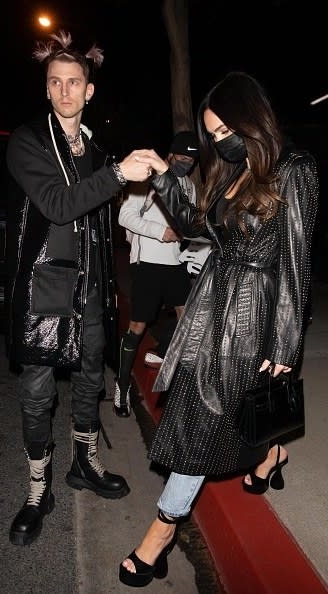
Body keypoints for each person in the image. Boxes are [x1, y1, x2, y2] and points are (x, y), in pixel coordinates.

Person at [118, 71, 319, 587]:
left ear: (252, 119)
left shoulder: (294, 170)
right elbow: (193, 223)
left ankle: (159, 536)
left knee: (201, 424)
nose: (220, 140)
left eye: (227, 129)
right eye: (213, 132)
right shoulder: (229, 173)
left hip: (253, 316)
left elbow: (297, 266)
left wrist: (286, 344)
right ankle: (272, 453)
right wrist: (163, 173)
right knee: (213, 412)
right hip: (214, 305)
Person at [5, 30, 158, 546]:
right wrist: (118, 173)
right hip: (46, 287)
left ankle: (84, 465)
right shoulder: (27, 141)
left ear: (88, 91)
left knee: (91, 377)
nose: (66, 91)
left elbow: (105, 213)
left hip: (92, 289)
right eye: (56, 83)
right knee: (36, 394)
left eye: (75, 82)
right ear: (46, 90)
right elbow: (58, 204)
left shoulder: (93, 149)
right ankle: (36, 490)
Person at [113, 131, 199, 417]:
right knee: (137, 327)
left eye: (191, 159)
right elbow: (125, 217)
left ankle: (170, 368)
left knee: (189, 317)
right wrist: (160, 232)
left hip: (175, 263)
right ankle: (122, 385)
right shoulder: (147, 177)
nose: (185, 163)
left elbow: (191, 221)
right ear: (170, 154)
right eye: (182, 157)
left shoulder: (188, 185)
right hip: (147, 262)